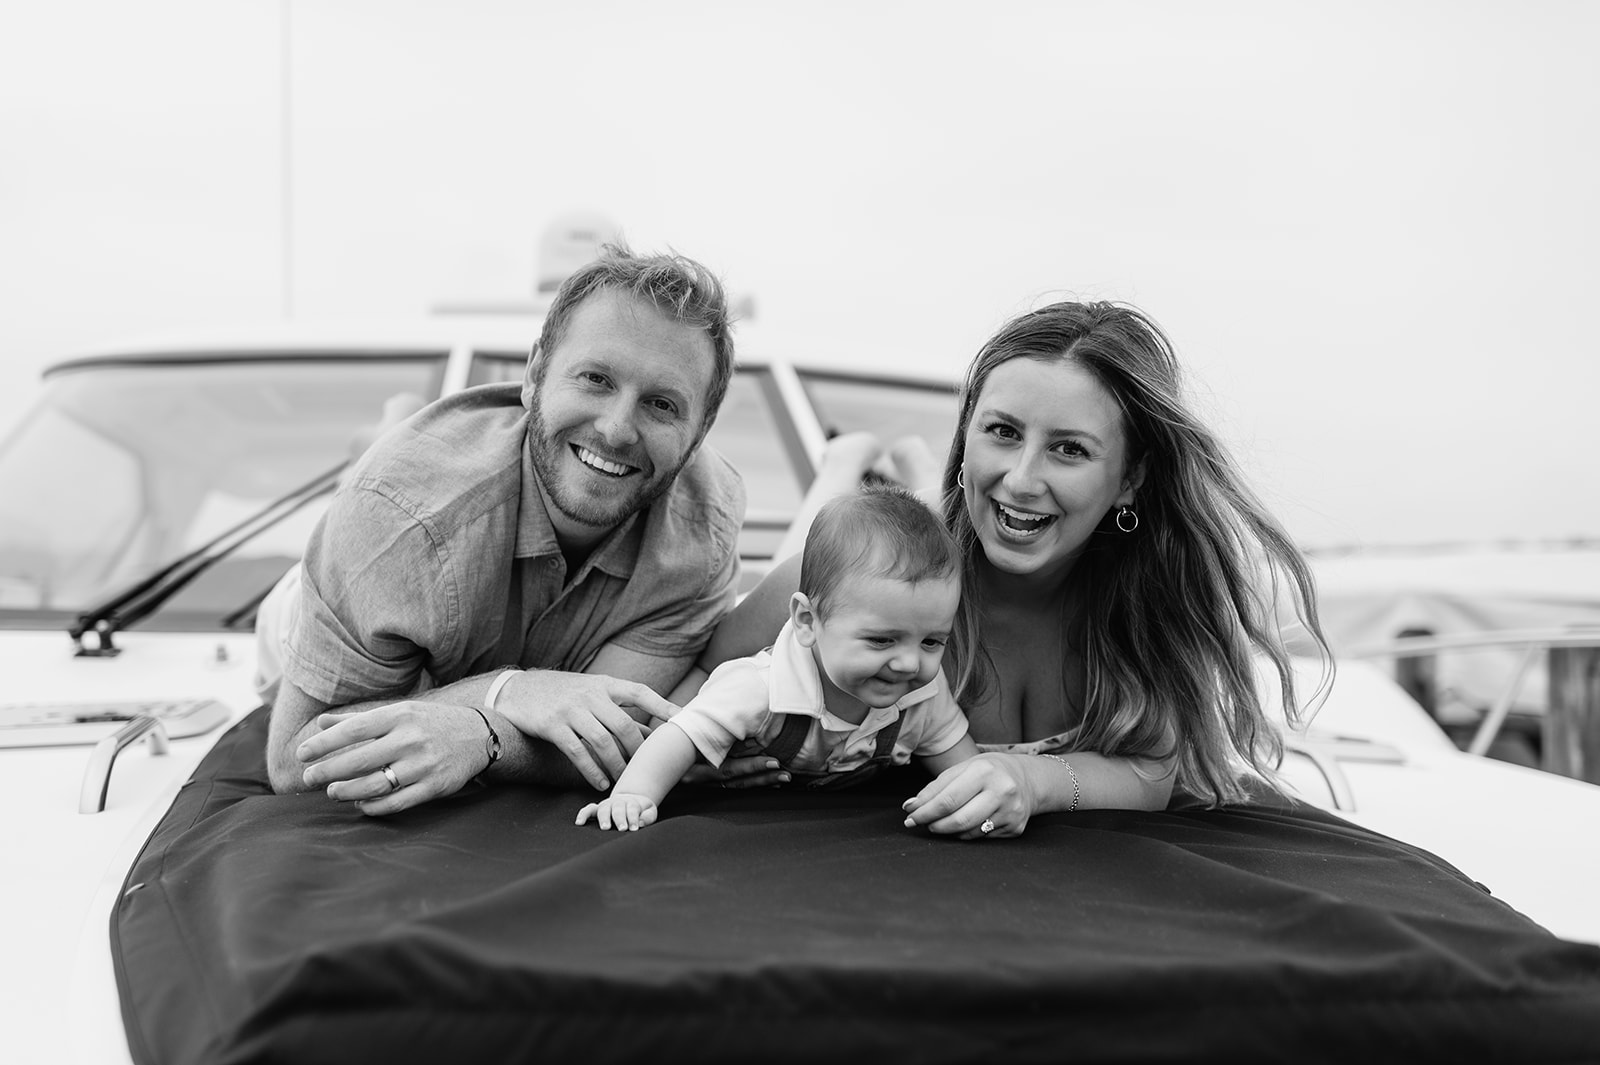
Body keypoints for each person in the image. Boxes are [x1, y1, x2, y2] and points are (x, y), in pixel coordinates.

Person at [694, 300, 1332, 838]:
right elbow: (702, 676)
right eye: (1001, 432)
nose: (1023, 479)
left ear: (1129, 478)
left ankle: (876, 470)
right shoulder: (874, 578)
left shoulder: (1147, 601)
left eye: (1069, 449)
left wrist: (1035, 781)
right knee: (832, 523)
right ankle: (843, 466)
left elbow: (1151, 771)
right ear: (964, 435)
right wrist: (707, 755)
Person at [263, 243, 753, 816]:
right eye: (595, 379)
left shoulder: (703, 528)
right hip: (319, 610)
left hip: (444, 630)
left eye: (662, 405)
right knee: (371, 515)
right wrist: (507, 692)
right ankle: (384, 432)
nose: (618, 430)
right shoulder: (395, 514)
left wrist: (481, 736)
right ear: (534, 374)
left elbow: (609, 740)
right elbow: (296, 761)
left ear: (701, 429)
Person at [577, 484, 981, 831]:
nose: (910, 664)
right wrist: (633, 794)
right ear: (806, 622)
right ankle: (842, 460)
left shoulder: (922, 693)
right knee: (795, 561)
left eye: (931, 642)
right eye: (881, 641)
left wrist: (977, 795)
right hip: (736, 624)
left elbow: (958, 756)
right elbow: (679, 735)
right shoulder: (758, 686)